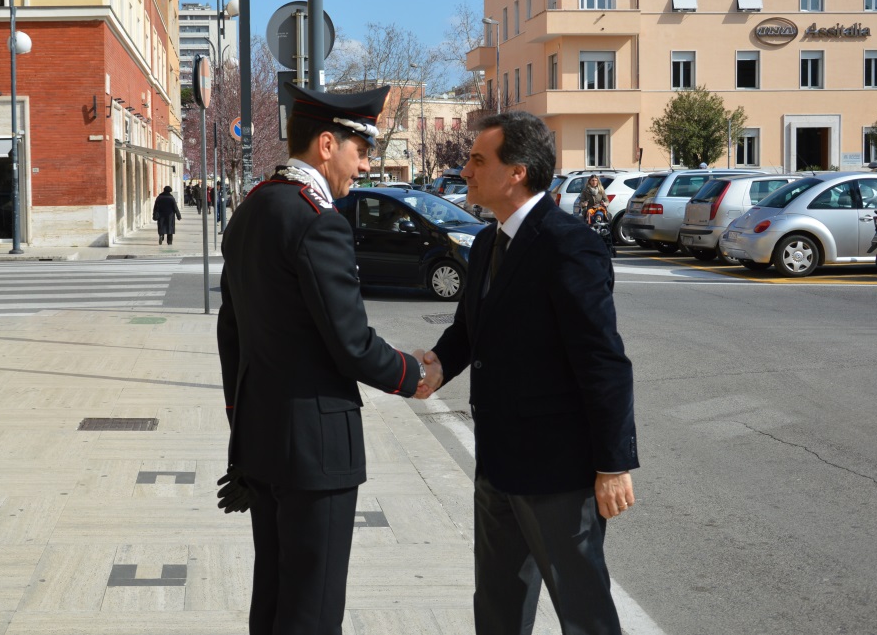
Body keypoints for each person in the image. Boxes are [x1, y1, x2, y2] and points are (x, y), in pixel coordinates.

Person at [216, 83, 439, 635]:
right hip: (315, 449)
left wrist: (238, 416)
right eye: (360, 150)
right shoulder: (318, 219)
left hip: (263, 440)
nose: (364, 165)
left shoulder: (252, 208)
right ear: (325, 145)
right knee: (312, 608)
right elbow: (352, 342)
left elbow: (231, 332)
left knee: (272, 598)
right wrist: (415, 376)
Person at [416, 111, 638, 635]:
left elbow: (602, 360)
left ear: (516, 171)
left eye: (477, 160)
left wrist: (613, 464)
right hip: (497, 462)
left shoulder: (568, 244)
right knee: (497, 603)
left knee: (583, 610)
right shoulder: (490, 240)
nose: (464, 171)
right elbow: (472, 327)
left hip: (557, 472)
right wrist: (441, 364)